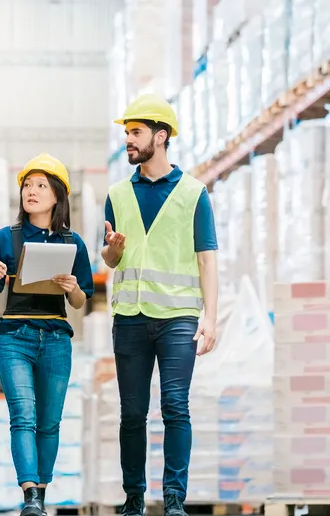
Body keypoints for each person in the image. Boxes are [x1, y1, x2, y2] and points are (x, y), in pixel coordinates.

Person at [101, 94, 219, 516]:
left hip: (178, 318)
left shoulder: (193, 193)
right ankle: (133, 498)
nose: (128, 141)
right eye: (127, 133)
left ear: (161, 136)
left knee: (175, 406)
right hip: (130, 318)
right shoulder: (117, 193)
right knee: (132, 413)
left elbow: (207, 258)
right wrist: (112, 251)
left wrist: (211, 317)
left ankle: (174, 501)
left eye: (135, 133)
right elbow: (110, 258)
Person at [0, 153, 94, 516]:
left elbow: (79, 300)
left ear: (57, 195)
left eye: (41, 185)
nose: (32, 191)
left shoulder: (72, 243)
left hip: (57, 340)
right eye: (28, 184)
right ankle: (29, 494)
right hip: (15, 338)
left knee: (49, 422)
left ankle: (40, 494)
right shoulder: (5, 238)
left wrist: (72, 286)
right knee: (23, 416)